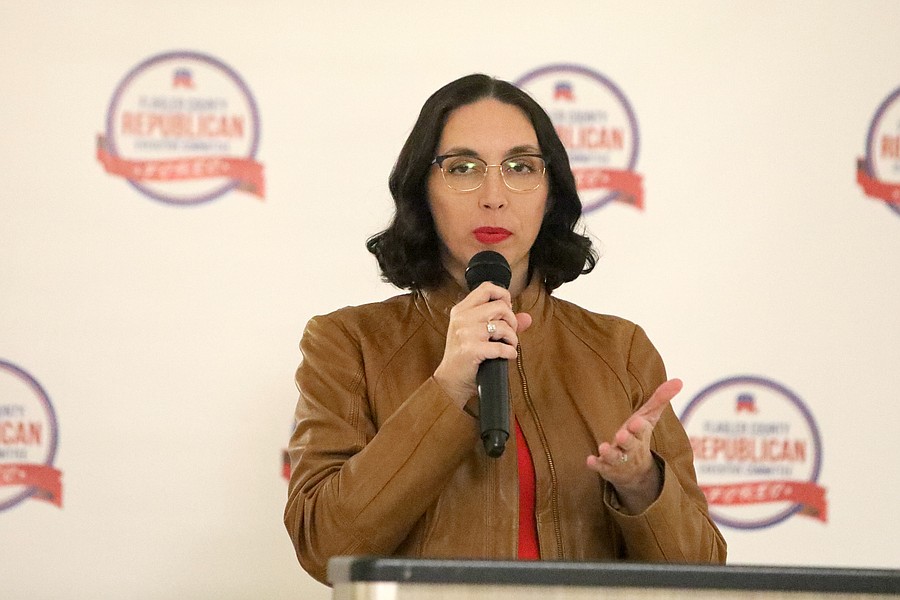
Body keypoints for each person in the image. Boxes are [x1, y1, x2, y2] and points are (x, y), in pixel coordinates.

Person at [284, 73, 726, 585]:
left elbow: (705, 575)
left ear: (551, 193)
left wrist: (642, 483)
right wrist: (446, 388)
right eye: (462, 167)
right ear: (422, 190)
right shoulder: (347, 342)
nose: (494, 196)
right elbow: (325, 548)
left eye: (520, 167)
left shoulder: (620, 349)